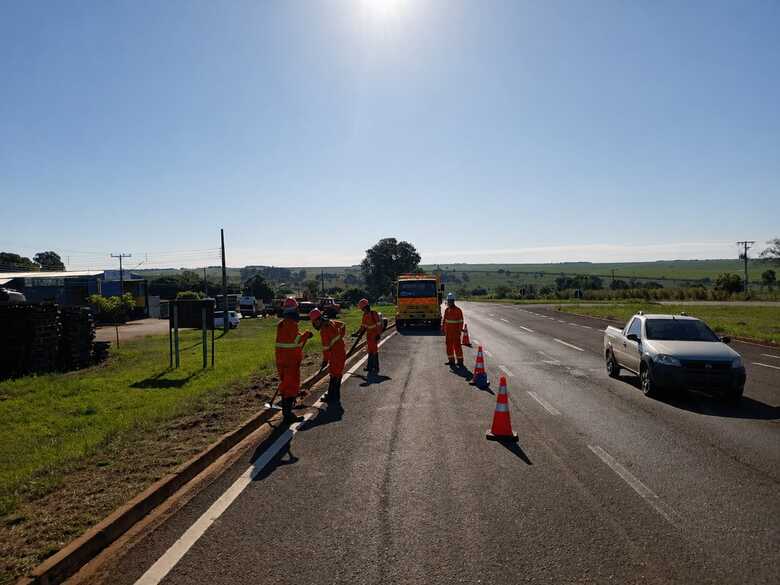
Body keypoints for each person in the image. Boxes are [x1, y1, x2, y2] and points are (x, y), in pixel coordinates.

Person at [275, 298, 313, 423]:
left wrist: (302, 335)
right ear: (294, 310)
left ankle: (286, 411)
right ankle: (288, 415)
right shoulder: (291, 323)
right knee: (291, 386)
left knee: (285, 385)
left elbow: (291, 338)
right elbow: (297, 340)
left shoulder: (282, 324)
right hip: (290, 361)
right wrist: (306, 334)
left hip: (281, 360)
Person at [309, 308, 346, 403]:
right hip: (341, 352)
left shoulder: (324, 331)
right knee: (336, 375)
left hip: (335, 356)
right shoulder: (331, 322)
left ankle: (332, 397)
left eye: (314, 322)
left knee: (334, 376)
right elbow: (343, 325)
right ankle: (333, 395)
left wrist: (325, 361)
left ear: (318, 320)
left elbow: (326, 349)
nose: (314, 325)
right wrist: (340, 337)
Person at [353, 298, 382, 375]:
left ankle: (375, 367)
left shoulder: (374, 314)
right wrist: (357, 333)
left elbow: (379, 325)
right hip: (369, 336)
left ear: (365, 307)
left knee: (374, 351)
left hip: (374, 335)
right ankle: (369, 367)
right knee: (369, 351)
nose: (362, 310)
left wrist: (378, 334)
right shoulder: (365, 315)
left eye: (362, 308)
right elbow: (363, 326)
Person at [441, 292, 464, 368]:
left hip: (456, 333)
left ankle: (460, 362)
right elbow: (444, 320)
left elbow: (461, 321)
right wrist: (443, 328)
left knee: (457, 347)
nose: (449, 302)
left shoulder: (458, 310)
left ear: (453, 301)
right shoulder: (447, 310)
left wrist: (459, 331)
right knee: (449, 347)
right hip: (448, 333)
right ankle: (451, 361)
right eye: (448, 301)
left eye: (450, 301)